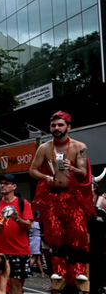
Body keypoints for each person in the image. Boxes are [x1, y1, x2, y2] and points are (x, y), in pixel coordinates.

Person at [29, 111, 93, 283]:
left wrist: (72, 168)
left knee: (78, 232)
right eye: (53, 125)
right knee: (54, 235)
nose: (56, 128)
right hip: (51, 197)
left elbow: (84, 172)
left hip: (72, 197)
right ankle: (59, 269)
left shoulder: (80, 147)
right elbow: (32, 170)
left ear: (68, 127)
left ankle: (79, 269)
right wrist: (46, 177)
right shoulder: (44, 148)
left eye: (60, 125)